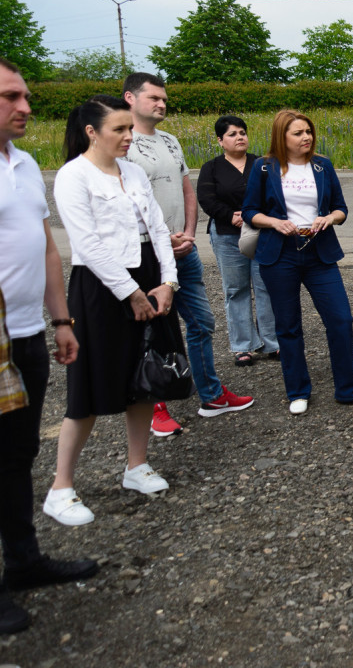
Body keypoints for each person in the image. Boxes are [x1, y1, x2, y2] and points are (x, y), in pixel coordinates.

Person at [46, 94, 185, 527]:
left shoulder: (133, 171)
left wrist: (167, 281)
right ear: (92, 131)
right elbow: (86, 243)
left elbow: (159, 229)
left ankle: (136, 466)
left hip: (149, 278)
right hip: (101, 287)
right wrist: (131, 292)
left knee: (146, 376)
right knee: (88, 386)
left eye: (130, 129)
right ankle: (61, 487)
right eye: (119, 130)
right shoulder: (73, 176)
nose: (129, 137)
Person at [0, 59, 98, 635]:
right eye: (12, 96)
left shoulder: (25, 164)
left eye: (26, 95)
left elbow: (46, 249)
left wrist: (60, 320)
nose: (27, 107)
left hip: (28, 335)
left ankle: (24, 561)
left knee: (16, 458)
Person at [123, 74, 252, 427]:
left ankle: (210, 395)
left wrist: (189, 234)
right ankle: (155, 405)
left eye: (164, 98)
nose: (162, 104)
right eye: (153, 98)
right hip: (146, 251)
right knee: (153, 328)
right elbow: (125, 201)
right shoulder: (123, 142)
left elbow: (187, 190)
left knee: (201, 323)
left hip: (184, 250)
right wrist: (165, 239)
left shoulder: (170, 141)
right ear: (130, 98)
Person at [242, 110, 353, 415]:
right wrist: (275, 222)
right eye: (298, 133)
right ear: (282, 137)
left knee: (341, 319)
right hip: (280, 254)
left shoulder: (322, 165)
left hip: (319, 252)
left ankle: (348, 389)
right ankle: (298, 391)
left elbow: (341, 208)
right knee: (288, 326)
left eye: (308, 132)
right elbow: (250, 211)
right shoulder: (264, 167)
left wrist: (329, 217)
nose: (306, 137)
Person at [197, 115, 278, 372]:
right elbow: (206, 199)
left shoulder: (263, 164)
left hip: (260, 233)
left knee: (266, 286)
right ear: (220, 141)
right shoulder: (211, 168)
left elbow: (274, 194)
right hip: (226, 235)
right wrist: (229, 215)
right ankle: (243, 345)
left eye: (242, 132)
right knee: (236, 289)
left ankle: (272, 342)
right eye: (232, 134)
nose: (239, 137)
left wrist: (251, 216)